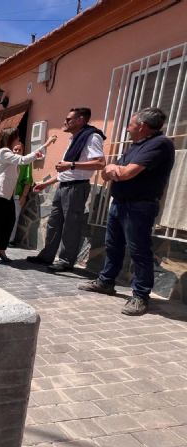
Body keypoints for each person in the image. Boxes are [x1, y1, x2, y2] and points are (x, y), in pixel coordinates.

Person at [79, 107, 175, 315]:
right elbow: (107, 173)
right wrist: (114, 171)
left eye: (130, 124)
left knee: (139, 250)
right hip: (120, 202)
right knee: (113, 245)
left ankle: (140, 295)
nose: (127, 128)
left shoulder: (160, 144)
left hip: (140, 205)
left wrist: (116, 171)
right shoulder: (134, 146)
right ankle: (106, 282)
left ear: (142, 126)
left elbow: (126, 173)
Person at [27, 107, 106, 271]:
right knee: (53, 224)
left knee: (71, 226)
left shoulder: (92, 137)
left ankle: (65, 261)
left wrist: (72, 164)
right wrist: (47, 183)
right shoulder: (74, 139)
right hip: (63, 186)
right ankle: (47, 256)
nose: (65, 122)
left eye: (69, 119)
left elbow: (100, 163)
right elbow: (66, 170)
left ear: (81, 120)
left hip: (76, 188)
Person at [0, 128, 56, 264]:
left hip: (6, 195)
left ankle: (1, 249)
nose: (18, 140)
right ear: (10, 139)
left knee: (9, 222)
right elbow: (23, 160)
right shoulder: (3, 152)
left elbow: (22, 162)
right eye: (16, 138)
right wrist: (46, 144)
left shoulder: (8, 154)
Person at [9, 143, 33, 245]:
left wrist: (23, 196)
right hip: (5, 194)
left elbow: (28, 181)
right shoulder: (8, 161)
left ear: (23, 151)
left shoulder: (26, 163)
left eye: (19, 150)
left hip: (17, 195)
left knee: (14, 218)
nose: (17, 152)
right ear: (12, 150)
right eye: (15, 150)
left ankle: (9, 240)